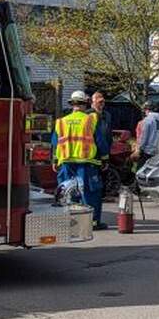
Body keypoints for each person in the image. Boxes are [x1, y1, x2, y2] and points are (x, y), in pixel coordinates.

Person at [51, 90, 110, 230]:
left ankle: (70, 222)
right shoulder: (91, 120)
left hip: (66, 163)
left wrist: (54, 161)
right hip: (86, 164)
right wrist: (105, 159)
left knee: (68, 193)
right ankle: (92, 223)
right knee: (90, 193)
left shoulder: (61, 122)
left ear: (72, 104)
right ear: (85, 104)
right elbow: (100, 141)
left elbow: (55, 143)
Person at [131, 100, 159, 168]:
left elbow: (144, 137)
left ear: (146, 110)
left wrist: (138, 149)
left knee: (141, 170)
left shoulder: (147, 120)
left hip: (148, 152)